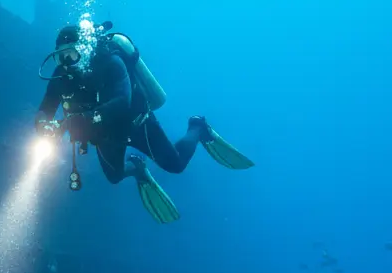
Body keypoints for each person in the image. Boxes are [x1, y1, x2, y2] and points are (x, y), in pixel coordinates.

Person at [34, 22, 253, 223]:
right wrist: (44, 126)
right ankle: (138, 168)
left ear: (85, 49)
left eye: (71, 55)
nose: (66, 64)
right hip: (106, 137)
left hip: (137, 125)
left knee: (175, 165)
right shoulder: (60, 77)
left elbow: (121, 102)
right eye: (60, 57)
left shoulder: (110, 62)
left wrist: (80, 120)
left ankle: (197, 127)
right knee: (115, 176)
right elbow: (44, 110)